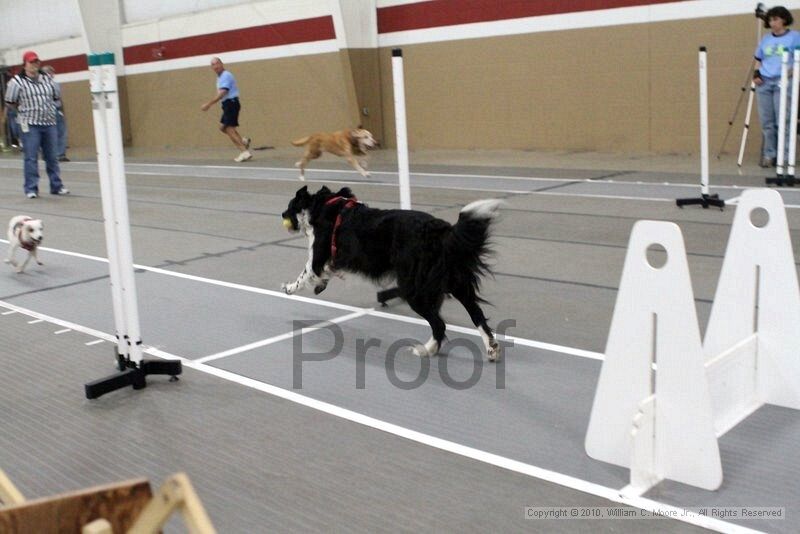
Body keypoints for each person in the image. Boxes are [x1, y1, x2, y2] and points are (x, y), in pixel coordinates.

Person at [3, 51, 69, 198]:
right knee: (31, 157)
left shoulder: (47, 79)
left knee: (52, 156)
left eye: (36, 62)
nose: (34, 65)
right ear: (25, 64)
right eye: (31, 62)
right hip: (30, 124)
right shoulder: (17, 82)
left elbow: (56, 97)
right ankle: (31, 188)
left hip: (49, 122)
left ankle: (56, 186)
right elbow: (10, 102)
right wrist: (24, 111)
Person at [754, 6, 800, 168]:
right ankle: (770, 154)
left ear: (784, 20)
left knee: (784, 120)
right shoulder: (766, 39)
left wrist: (791, 71)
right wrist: (757, 74)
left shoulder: (795, 37)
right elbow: (759, 59)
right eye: (771, 20)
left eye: (776, 19)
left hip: (783, 81)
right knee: (767, 122)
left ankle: (785, 155)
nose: (773, 23)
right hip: (765, 82)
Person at [201, 57, 252, 162]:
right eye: (213, 65)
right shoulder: (219, 78)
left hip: (231, 103)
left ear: (221, 64)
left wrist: (209, 104)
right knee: (223, 128)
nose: (215, 66)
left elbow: (223, 92)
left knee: (229, 129)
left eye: (217, 63)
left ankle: (244, 152)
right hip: (227, 105)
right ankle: (244, 142)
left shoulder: (226, 75)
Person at [40, 65, 69, 162]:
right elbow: (58, 99)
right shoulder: (54, 84)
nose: (53, 75)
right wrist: (62, 111)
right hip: (54, 110)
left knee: (46, 133)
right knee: (60, 132)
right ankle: (60, 154)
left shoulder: (37, 85)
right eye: (52, 73)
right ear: (49, 73)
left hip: (42, 112)